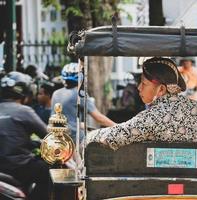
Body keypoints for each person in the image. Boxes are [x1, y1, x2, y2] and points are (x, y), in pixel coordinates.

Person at [87, 57, 197, 150]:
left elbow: (115, 136)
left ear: (161, 89)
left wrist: (89, 136)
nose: (139, 88)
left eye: (144, 83)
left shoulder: (154, 116)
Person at [0, 71, 49, 200]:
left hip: (3, 166)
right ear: (25, 93)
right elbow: (48, 135)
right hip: (19, 166)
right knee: (48, 171)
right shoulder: (24, 111)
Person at [51, 62, 116, 143]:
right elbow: (98, 117)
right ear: (81, 77)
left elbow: (68, 119)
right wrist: (117, 126)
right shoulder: (79, 94)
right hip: (75, 139)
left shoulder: (56, 93)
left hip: (56, 138)